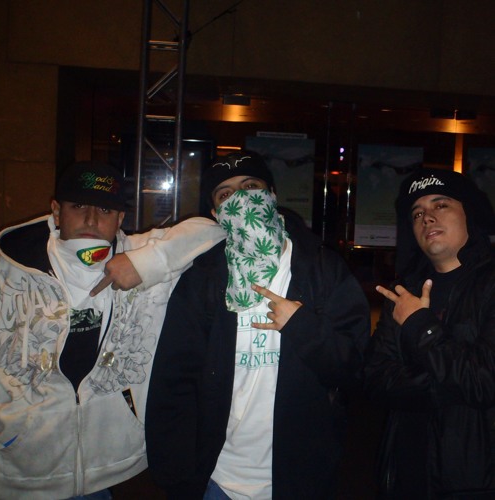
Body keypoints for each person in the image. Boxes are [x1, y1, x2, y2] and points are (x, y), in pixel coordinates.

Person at [145, 151, 370, 499]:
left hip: (300, 475)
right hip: (219, 476)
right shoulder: (203, 278)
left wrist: (303, 327)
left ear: (272, 195)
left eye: (251, 186)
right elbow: (175, 378)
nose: (241, 199)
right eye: (226, 194)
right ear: (216, 213)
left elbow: (354, 368)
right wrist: (178, 473)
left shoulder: (322, 268)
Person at [0, 161, 225, 499]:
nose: (91, 219)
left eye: (104, 209)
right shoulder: (8, 273)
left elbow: (213, 229)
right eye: (79, 206)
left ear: (120, 219)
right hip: (23, 470)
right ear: (56, 211)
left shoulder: (140, 252)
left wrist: (146, 263)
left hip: (111, 469)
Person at [364, 167, 495, 499]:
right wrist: (448, 384)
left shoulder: (490, 284)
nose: (427, 217)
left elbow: (484, 381)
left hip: (474, 479)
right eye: (417, 213)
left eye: (441, 204)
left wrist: (419, 324)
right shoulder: (403, 292)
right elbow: (375, 378)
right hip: (406, 472)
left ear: (468, 213)